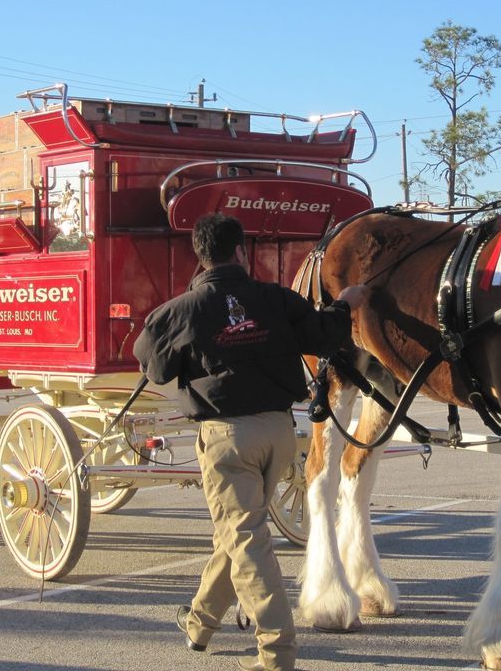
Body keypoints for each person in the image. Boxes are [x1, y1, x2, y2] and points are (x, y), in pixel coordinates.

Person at [133, 213, 365, 671]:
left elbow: (153, 365)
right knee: (239, 533)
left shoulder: (182, 310)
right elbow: (323, 335)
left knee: (247, 540)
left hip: (227, 441)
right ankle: (199, 624)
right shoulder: (275, 298)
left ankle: (277, 653)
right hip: (279, 435)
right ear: (241, 250)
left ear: (201, 255)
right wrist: (346, 303)